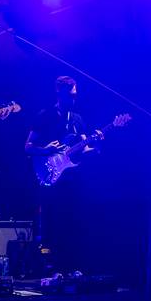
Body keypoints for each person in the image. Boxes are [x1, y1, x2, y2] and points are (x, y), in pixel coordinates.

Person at [24, 75, 101, 272]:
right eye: (70, 95)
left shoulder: (77, 119)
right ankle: (52, 269)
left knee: (75, 221)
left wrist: (97, 145)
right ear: (59, 92)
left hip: (72, 178)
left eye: (75, 95)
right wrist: (46, 150)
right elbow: (28, 147)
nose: (74, 98)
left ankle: (72, 268)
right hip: (51, 175)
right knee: (54, 223)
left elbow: (84, 149)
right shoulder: (45, 116)